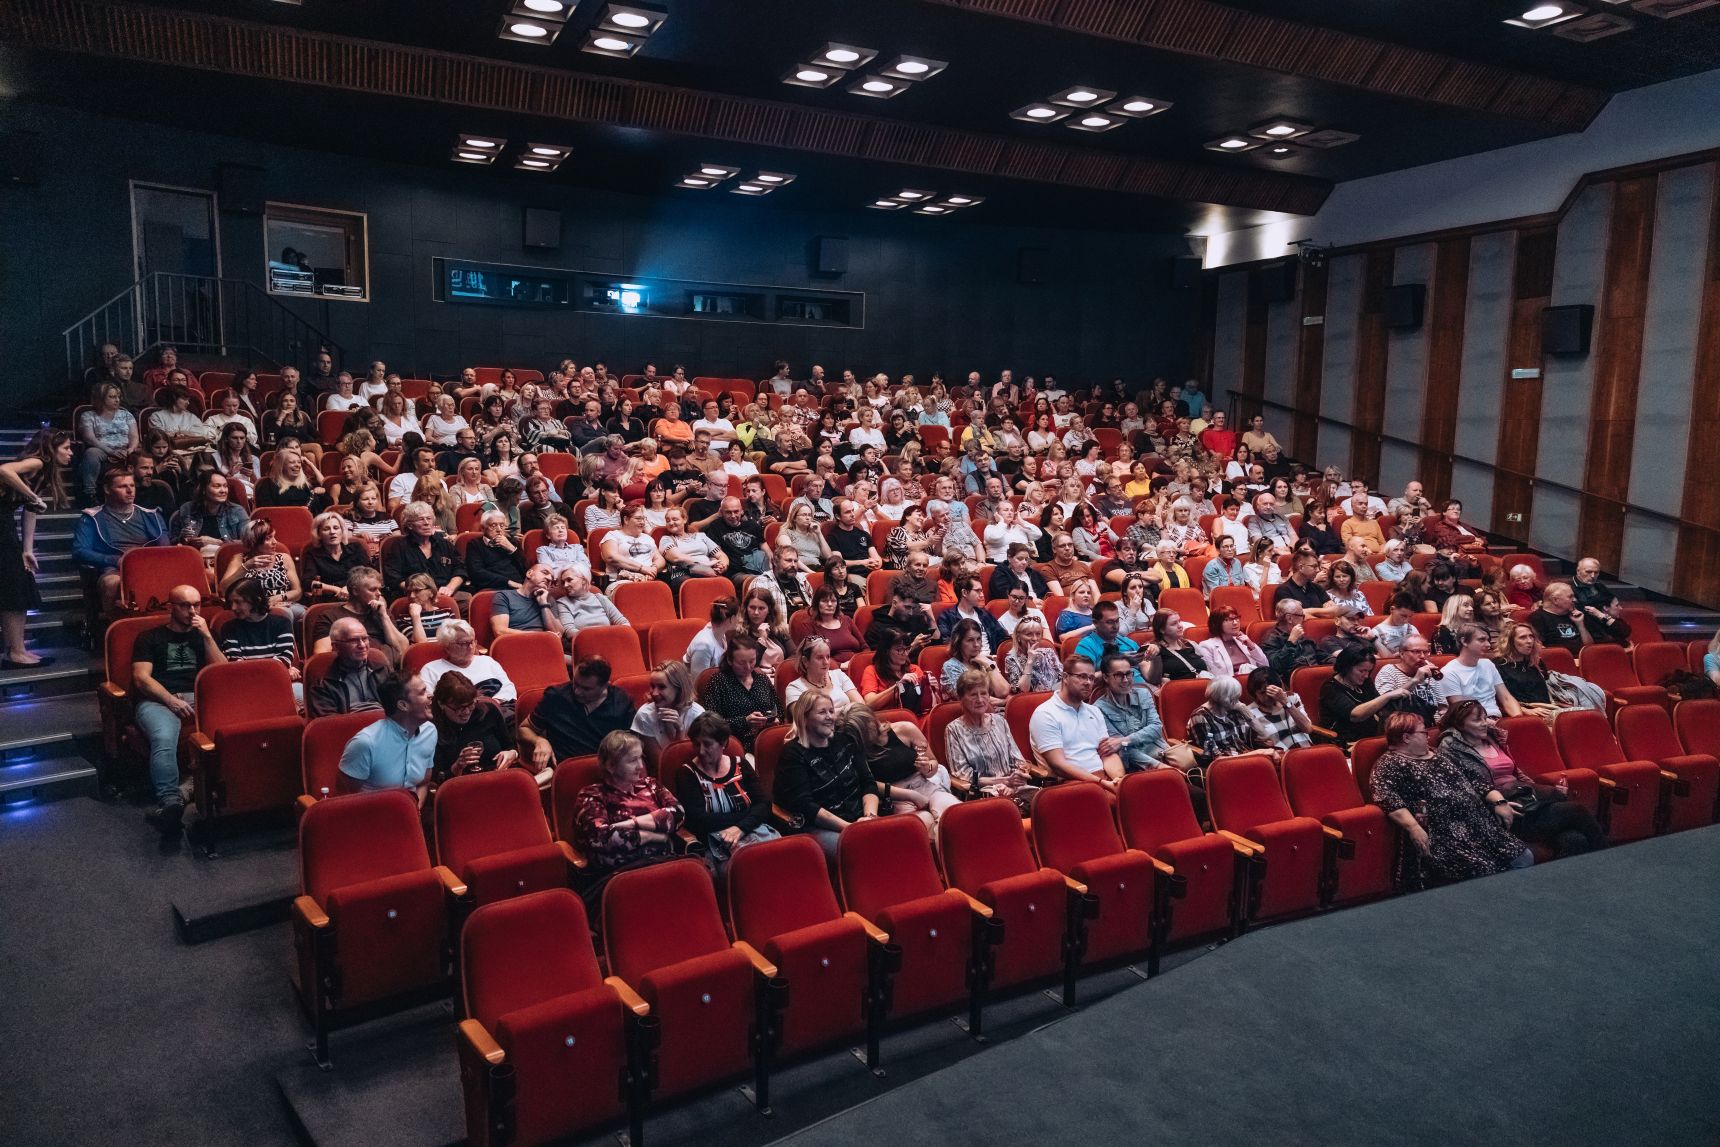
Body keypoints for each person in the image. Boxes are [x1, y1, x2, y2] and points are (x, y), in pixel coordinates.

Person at [1371, 711, 1533, 879]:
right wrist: (1414, 827)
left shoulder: (1438, 754)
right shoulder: (1389, 764)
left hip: (1479, 826)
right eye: (1423, 732)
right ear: (1406, 737)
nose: (1428, 737)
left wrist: (1499, 801)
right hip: (1443, 833)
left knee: (1523, 857)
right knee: (1484, 870)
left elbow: (1475, 778)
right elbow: (1388, 799)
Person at [1437, 699, 1605, 859]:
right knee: (1576, 811)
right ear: (1459, 724)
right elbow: (1458, 787)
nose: (1484, 723)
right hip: (1502, 811)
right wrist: (1494, 804)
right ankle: (1610, 861)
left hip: (1525, 800)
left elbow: (1517, 773)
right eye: (1476, 720)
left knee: (1574, 840)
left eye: (1485, 717)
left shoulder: (1493, 738)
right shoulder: (1451, 747)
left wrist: (1538, 790)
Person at [132, 585, 227, 837]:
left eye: (196, 605)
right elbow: (141, 679)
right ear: (170, 607)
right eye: (185, 605)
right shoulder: (149, 637)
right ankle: (170, 801)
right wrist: (169, 700)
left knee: (231, 732)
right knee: (163, 738)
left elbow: (223, 672)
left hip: (201, 698)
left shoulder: (204, 634)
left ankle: (190, 790)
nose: (192, 611)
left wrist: (207, 636)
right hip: (158, 700)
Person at [571, 730, 685, 887]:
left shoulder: (650, 784)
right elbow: (601, 838)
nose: (640, 766)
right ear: (611, 766)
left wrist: (630, 824)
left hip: (665, 863)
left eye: (641, 758)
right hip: (622, 874)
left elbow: (678, 814)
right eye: (632, 760)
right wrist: (656, 837)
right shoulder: (592, 795)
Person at [774, 692, 878, 862]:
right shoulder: (793, 754)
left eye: (831, 711)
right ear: (805, 718)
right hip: (819, 827)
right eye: (822, 712)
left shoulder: (846, 740)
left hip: (860, 818)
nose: (830, 717)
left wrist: (870, 817)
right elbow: (806, 806)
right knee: (858, 847)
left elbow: (868, 783)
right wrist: (850, 828)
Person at [673, 712, 778, 876]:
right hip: (717, 843)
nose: (700, 751)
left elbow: (764, 805)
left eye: (707, 744)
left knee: (784, 860)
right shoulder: (687, 774)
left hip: (753, 831)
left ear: (723, 743)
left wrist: (740, 828)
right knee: (752, 869)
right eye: (696, 744)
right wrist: (746, 817)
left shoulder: (740, 764)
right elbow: (699, 820)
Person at [0, 430, 71, 666]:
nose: (70, 453)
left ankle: (17, 649)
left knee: (18, 586)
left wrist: (27, 549)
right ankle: (16, 651)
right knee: (14, 587)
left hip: (5, 524)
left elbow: (31, 511)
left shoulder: (43, 474)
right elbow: (3, 469)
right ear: (52, 449)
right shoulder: (38, 462)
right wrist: (32, 496)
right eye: (66, 448)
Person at [845, 704, 955, 831]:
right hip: (895, 797)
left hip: (925, 784)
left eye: (865, 729)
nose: (865, 736)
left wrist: (927, 768)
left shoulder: (905, 729)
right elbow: (868, 783)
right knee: (925, 825)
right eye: (859, 734)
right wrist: (910, 795)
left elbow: (933, 763)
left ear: (872, 720)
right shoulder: (856, 747)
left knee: (951, 816)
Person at [74, 469, 168, 617]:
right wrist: (116, 560)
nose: (130, 491)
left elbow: (165, 548)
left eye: (132, 485)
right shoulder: (92, 517)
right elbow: (80, 551)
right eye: (123, 486)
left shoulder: (152, 516)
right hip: (114, 569)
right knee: (111, 583)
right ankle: (114, 628)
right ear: (107, 489)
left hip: (150, 566)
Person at [336, 672, 438, 802]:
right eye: (422, 692)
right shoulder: (365, 743)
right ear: (403, 705)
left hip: (410, 814)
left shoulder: (430, 731)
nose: (430, 695)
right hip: (371, 816)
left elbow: (423, 783)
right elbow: (343, 798)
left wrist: (414, 813)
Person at [1028, 655, 1124, 790]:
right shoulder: (1045, 713)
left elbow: (1107, 753)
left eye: (1091, 678)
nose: (1088, 683)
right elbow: (1059, 766)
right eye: (1082, 677)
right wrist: (1102, 783)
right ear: (1065, 678)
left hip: (1102, 779)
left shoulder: (1094, 711)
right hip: (1071, 783)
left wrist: (1118, 781)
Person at [520, 656, 636, 768]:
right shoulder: (555, 697)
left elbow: (632, 744)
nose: (577, 691)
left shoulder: (622, 701)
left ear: (605, 685)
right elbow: (524, 729)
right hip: (565, 772)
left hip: (607, 771)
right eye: (575, 683)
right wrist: (539, 740)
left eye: (586, 689)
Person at [1094, 652, 1195, 772]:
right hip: (1138, 766)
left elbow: (1156, 728)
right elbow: (1120, 749)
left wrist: (1124, 741)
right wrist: (1158, 766)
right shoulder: (1099, 709)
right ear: (1106, 677)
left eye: (1128, 674)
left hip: (1165, 754)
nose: (1125, 680)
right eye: (1118, 675)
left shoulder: (1143, 694)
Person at [1493, 620, 1607, 717]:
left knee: (1589, 714)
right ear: (1510, 642)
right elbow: (1502, 700)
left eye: (1531, 636)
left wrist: (1560, 703)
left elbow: (1545, 690)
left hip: (1549, 707)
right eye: (1523, 637)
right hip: (1528, 712)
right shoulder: (1499, 665)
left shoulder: (1535, 662)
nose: (1529, 641)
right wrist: (1528, 711)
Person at [429, 670, 523, 784]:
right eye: (459, 708)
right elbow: (436, 779)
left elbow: (510, 747)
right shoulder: (431, 729)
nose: (467, 712)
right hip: (461, 787)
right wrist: (457, 766)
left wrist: (512, 753)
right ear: (441, 704)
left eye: (471, 704)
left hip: (498, 778)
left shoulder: (488, 712)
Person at [696, 634, 780, 750]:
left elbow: (779, 710)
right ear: (730, 660)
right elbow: (711, 724)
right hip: (734, 744)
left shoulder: (762, 679)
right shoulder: (718, 681)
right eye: (741, 663)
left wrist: (774, 721)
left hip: (765, 742)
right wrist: (744, 721)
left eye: (752, 661)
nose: (748, 667)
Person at [1184, 675, 1279, 776]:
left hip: (1249, 759)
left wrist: (1246, 711)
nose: (1238, 701)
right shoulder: (1201, 717)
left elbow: (1264, 737)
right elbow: (1216, 758)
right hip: (1227, 767)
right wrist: (1260, 753)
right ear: (1223, 698)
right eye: (1235, 697)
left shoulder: (1234, 709)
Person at [418, 620, 518, 714]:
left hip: (496, 712)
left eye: (472, 642)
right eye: (463, 643)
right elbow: (427, 702)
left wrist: (493, 702)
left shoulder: (487, 661)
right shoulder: (430, 669)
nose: (470, 647)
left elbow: (508, 687)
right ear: (447, 647)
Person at [217, 517, 306, 622]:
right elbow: (223, 590)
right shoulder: (240, 559)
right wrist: (246, 567)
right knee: (282, 614)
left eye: (274, 537)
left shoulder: (284, 558)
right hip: (253, 608)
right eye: (268, 538)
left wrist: (276, 598)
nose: (275, 542)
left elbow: (298, 591)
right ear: (254, 541)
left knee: (309, 615)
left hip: (285, 603)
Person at [1319, 645, 1402, 748]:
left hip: (1371, 737)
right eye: (1362, 671)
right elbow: (1355, 715)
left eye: (1368, 671)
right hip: (1345, 742)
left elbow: (1379, 706)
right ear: (1346, 666)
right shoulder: (1331, 688)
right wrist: (1387, 696)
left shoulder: (1365, 682)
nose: (1366, 675)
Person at [629, 660, 706, 767]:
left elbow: (689, 761)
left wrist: (680, 730)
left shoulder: (697, 715)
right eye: (652, 686)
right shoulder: (645, 715)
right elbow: (661, 765)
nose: (654, 693)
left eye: (661, 687)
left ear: (678, 689)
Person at [308, 617, 389, 716]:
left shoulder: (382, 670)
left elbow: (401, 707)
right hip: (350, 729)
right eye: (353, 641)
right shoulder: (323, 684)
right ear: (336, 646)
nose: (362, 645)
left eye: (365, 638)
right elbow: (329, 725)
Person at [384, 501, 466, 599]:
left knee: (467, 599)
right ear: (410, 525)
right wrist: (420, 592)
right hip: (414, 595)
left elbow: (460, 569)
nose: (426, 523)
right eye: (421, 519)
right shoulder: (399, 547)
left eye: (429, 518)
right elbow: (394, 577)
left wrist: (450, 588)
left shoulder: (444, 544)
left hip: (446, 593)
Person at [1440, 623, 1522, 719]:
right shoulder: (1449, 672)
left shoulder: (1488, 664)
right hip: (1473, 723)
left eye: (1488, 640)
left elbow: (1506, 698)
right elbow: (1462, 711)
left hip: (1497, 718)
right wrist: (1488, 723)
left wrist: (1518, 719)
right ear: (1464, 641)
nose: (1488, 644)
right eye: (1482, 640)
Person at [78, 382, 139, 503]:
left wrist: (130, 449)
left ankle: (141, 489)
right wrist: (111, 451)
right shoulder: (88, 416)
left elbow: (134, 436)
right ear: (101, 398)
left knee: (142, 455)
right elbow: (90, 438)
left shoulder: (126, 415)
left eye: (118, 397)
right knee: (91, 453)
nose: (117, 400)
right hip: (102, 449)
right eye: (112, 397)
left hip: (126, 449)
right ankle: (90, 493)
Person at [857, 627, 934, 716]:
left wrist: (930, 688)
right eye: (900, 650)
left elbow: (924, 705)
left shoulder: (914, 669)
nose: (905, 654)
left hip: (914, 716)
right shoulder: (871, 671)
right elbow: (869, 704)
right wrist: (897, 686)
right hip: (888, 719)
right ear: (886, 651)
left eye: (907, 649)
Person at [1373, 634, 1446, 722]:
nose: (1422, 656)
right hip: (1405, 727)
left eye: (1426, 652)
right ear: (1402, 653)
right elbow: (1385, 706)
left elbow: (1443, 706)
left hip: (1433, 724)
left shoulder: (1430, 672)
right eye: (1416, 651)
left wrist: (1444, 715)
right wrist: (1415, 680)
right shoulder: (1388, 671)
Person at [784, 636, 865, 714]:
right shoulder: (795, 688)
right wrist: (846, 709)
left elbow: (861, 706)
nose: (826, 662)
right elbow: (804, 719)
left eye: (828, 657)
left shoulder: (839, 675)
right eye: (820, 658)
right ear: (805, 661)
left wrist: (823, 713)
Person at [1240, 668, 1315, 751]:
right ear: (1254, 693)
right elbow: (1249, 746)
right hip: (1281, 757)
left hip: (1307, 751)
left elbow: (1307, 729)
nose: (1268, 696)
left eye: (1272, 691)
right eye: (1262, 693)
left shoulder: (1292, 698)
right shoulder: (1249, 713)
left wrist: (1286, 703)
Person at [548, 569, 630, 637]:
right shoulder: (563, 603)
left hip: (609, 642)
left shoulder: (600, 598)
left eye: (569, 580)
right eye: (563, 582)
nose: (565, 585)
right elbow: (569, 631)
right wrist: (597, 638)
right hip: (585, 645)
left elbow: (624, 623)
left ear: (583, 580)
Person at [1195, 605, 1268, 679]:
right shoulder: (1207, 646)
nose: (1235, 623)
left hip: (1254, 682)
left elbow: (1265, 666)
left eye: (1236, 618)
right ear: (1217, 624)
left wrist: (1252, 646)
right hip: (1229, 686)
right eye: (1229, 620)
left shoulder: (1243, 641)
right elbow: (1213, 677)